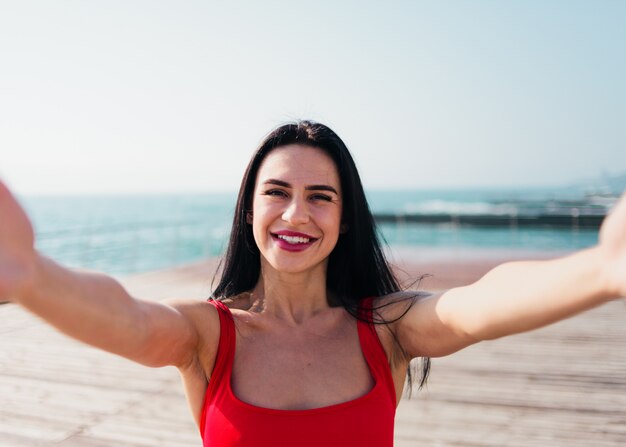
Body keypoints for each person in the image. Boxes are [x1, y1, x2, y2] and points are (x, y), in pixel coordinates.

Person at [0, 120, 624, 446]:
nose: (296, 214)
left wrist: (599, 270)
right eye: (277, 192)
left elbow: (476, 306)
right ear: (249, 210)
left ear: (343, 218)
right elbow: (129, 318)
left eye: (319, 197)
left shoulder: (387, 329)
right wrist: (32, 277)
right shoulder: (208, 335)